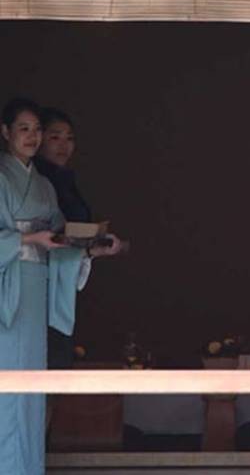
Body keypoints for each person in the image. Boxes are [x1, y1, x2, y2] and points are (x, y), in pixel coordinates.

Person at [0, 98, 116, 473]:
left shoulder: (45, 187)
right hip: (8, 290)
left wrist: (91, 249)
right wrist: (28, 239)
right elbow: (37, 239)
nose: (32, 137)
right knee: (7, 388)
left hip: (35, 291)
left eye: (37, 129)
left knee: (32, 389)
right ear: (5, 132)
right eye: (24, 129)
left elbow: (60, 241)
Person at [34, 108, 95, 369]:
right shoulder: (38, 180)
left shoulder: (62, 180)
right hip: (37, 277)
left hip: (65, 272)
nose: (63, 145)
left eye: (69, 138)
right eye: (55, 137)